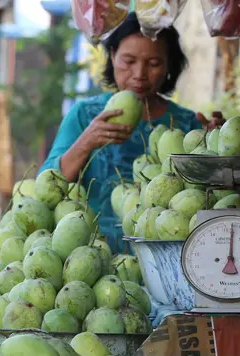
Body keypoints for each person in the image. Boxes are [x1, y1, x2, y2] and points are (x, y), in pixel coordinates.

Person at [40, 12, 225, 249]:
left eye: (153, 64)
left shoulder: (186, 124)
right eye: (129, 61)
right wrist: (87, 141)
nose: (139, 75)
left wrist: (215, 145)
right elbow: (46, 188)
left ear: (169, 65)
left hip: (166, 251)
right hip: (91, 251)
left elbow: (203, 198)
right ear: (113, 55)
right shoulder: (86, 116)